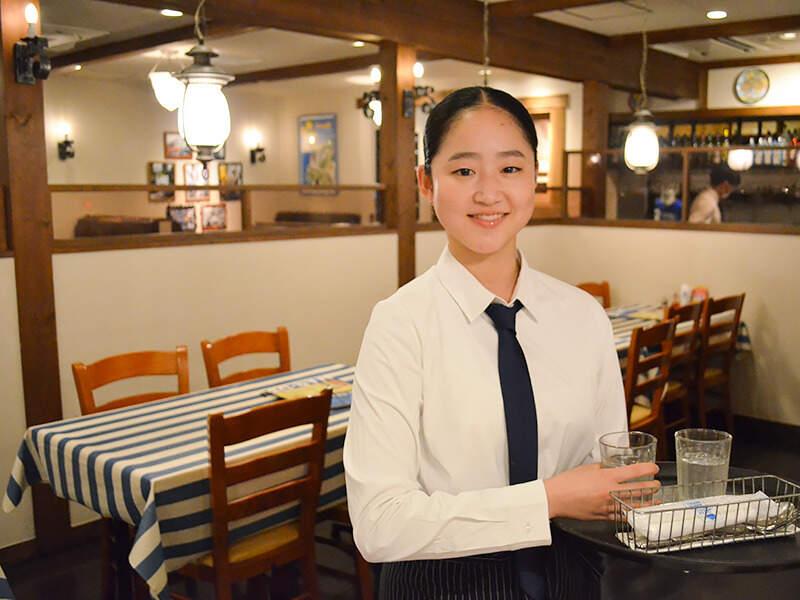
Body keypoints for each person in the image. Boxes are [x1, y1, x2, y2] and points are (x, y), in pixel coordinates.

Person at [343, 87, 659, 600]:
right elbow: (380, 524)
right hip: (441, 584)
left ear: (535, 176)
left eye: (510, 170)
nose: (489, 193)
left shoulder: (582, 316)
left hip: (569, 576)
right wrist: (547, 500)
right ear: (428, 182)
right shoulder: (400, 324)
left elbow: (611, 472)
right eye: (464, 171)